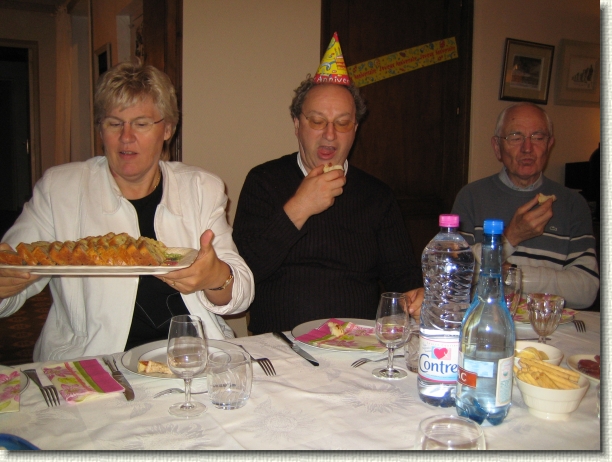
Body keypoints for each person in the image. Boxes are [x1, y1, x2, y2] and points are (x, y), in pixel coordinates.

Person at [0, 62, 254, 361]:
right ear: (101, 129)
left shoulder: (201, 188)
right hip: (93, 362)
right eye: (114, 123)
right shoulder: (60, 190)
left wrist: (215, 276)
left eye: (141, 123)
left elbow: (241, 295)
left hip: (191, 356)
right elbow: (9, 282)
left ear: (168, 129)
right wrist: (5, 283)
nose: (126, 137)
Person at [233, 75, 423, 335]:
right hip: (281, 344)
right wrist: (300, 207)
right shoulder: (263, 181)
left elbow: (402, 276)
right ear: (297, 124)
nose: (330, 134)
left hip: (358, 343)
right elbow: (242, 274)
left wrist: (416, 294)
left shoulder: (377, 195)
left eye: (342, 123)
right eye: (317, 121)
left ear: (355, 129)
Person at [451, 102, 599, 309]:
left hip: (551, 325)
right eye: (515, 137)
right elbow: (454, 277)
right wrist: (509, 238)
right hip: (488, 320)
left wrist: (512, 274)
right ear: (497, 147)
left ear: (549, 144)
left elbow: (586, 291)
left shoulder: (573, 204)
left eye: (538, 137)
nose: (527, 148)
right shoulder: (471, 197)